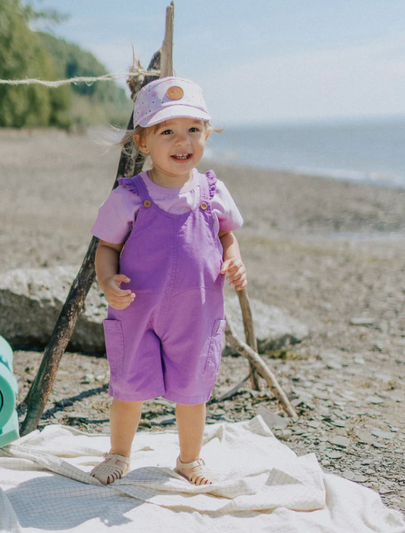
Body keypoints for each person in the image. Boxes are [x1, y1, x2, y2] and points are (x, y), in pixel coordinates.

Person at [89, 77, 247, 486]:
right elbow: (105, 247)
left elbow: (227, 235)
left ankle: (189, 459)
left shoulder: (212, 192)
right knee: (128, 387)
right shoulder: (129, 196)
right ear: (143, 143)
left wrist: (233, 259)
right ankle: (119, 453)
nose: (183, 141)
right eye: (168, 131)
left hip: (196, 313)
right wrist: (107, 282)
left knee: (192, 390)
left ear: (207, 134)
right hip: (136, 311)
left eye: (193, 129)